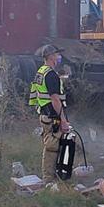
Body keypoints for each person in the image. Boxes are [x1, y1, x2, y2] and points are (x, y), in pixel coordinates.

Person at [28, 44, 69, 181]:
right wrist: (63, 120)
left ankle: (54, 176)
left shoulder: (41, 71)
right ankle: (49, 179)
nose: (59, 57)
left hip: (44, 114)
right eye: (57, 54)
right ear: (51, 56)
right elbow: (55, 100)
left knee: (51, 146)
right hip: (52, 116)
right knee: (52, 148)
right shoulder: (51, 75)